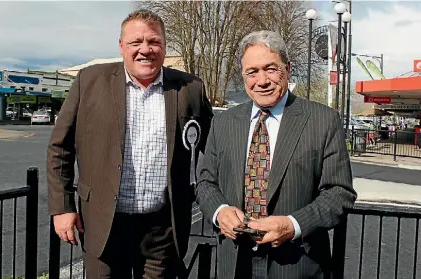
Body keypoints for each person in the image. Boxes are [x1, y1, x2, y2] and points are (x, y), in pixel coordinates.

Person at [47, 9, 213, 279]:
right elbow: (59, 148)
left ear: (164, 46)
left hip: (163, 227)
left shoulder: (190, 88)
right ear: (121, 46)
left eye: (153, 42)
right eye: (136, 42)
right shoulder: (89, 81)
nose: (145, 50)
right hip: (104, 222)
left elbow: (215, 148)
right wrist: (62, 207)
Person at [196, 30, 357, 278]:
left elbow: (339, 193)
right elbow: (206, 182)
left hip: (295, 263)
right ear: (243, 75)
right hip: (235, 263)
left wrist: (293, 225)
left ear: (288, 69)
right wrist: (220, 212)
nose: (261, 80)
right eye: (252, 72)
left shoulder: (323, 121)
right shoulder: (224, 123)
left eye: (271, 69)